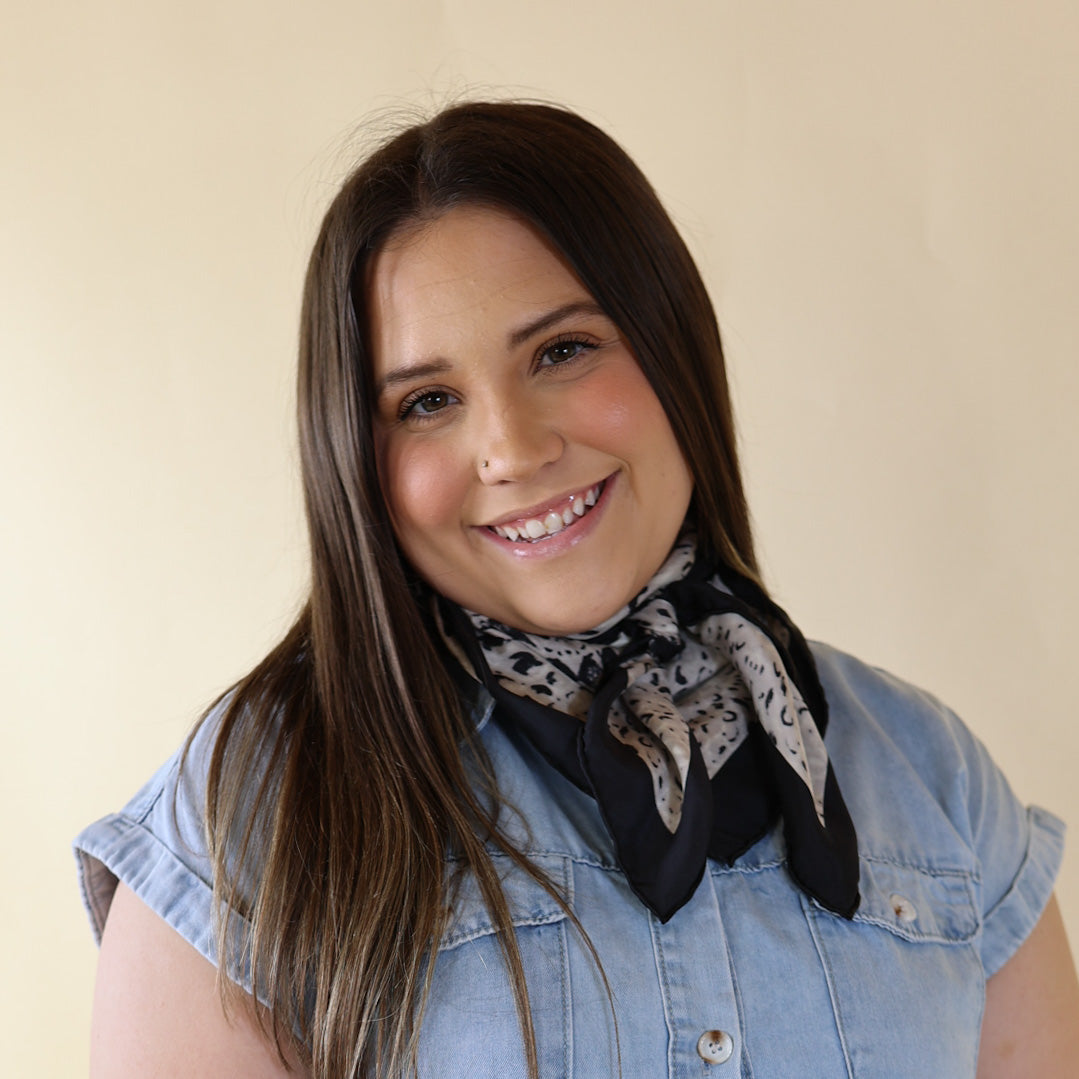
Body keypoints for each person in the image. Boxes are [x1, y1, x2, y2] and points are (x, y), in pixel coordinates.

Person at [76, 101, 1079, 1079]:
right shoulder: (252, 819)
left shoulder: (931, 780)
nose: (511, 449)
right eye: (427, 401)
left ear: (672, 346)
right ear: (353, 455)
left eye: (560, 350)